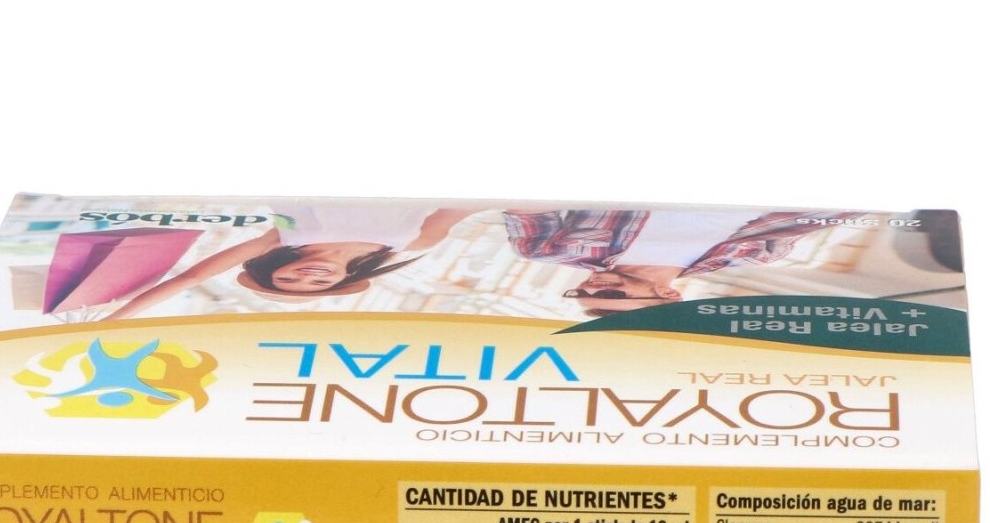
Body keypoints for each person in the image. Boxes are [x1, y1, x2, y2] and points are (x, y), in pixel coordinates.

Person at [109, 203, 475, 316]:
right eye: (318, 284)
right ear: (342, 280)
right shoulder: (414, 242)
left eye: (288, 279)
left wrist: (114, 321)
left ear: (275, 265)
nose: (307, 276)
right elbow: (467, 203)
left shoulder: (283, 236)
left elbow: (189, 279)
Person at [503, 206, 867, 315]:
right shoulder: (755, 255)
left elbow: (526, 199)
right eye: (613, 295)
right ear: (669, 295)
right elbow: (818, 215)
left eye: (580, 293)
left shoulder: (549, 249)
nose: (592, 287)